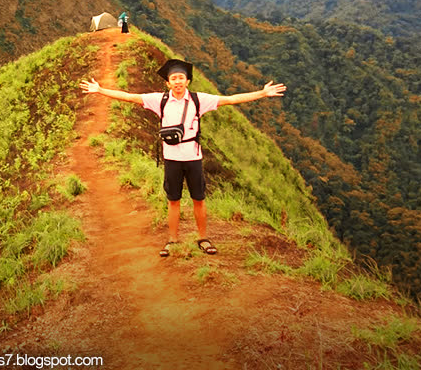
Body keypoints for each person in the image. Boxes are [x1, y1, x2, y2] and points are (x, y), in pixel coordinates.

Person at [79, 58, 286, 257]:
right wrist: (100, 90)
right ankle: (172, 240)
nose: (178, 81)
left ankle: (203, 239)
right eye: (174, 78)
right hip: (171, 159)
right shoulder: (160, 100)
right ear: (168, 83)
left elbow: (230, 99)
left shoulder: (198, 100)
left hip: (193, 157)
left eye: (181, 78)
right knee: (173, 200)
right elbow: (130, 97)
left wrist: (262, 93)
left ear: (187, 81)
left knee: (199, 199)